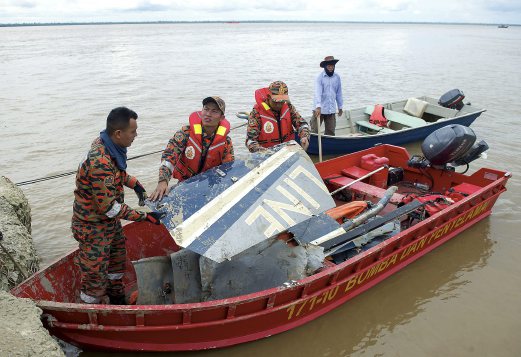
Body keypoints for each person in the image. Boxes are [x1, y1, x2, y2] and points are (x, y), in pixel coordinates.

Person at [72, 107, 164, 305]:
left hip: (109, 225)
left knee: (117, 266)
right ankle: (91, 313)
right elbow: (110, 208)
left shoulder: (109, 146)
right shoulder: (99, 161)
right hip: (93, 227)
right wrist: (145, 216)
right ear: (118, 134)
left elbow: (117, 174)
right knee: (95, 278)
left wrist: (135, 185)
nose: (136, 136)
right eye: (133, 132)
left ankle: (117, 301)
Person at [149, 96, 234, 201]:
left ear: (221, 117)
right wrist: (163, 181)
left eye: (214, 111)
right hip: (186, 185)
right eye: (206, 109)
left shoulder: (226, 141)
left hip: (211, 187)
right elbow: (169, 156)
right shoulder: (186, 133)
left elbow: (229, 168)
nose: (208, 114)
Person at [245, 81, 310, 152]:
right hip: (266, 156)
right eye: (276, 102)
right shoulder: (257, 113)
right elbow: (250, 140)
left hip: (288, 152)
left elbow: (302, 124)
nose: (279, 105)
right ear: (269, 97)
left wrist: (304, 136)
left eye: (282, 102)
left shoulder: (288, 107)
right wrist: (261, 150)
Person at [312, 55, 343, 136]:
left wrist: (340, 107)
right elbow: (317, 92)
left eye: (332, 65)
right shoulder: (319, 77)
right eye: (329, 65)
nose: (330, 67)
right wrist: (318, 106)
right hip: (319, 109)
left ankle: (329, 147)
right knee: (314, 131)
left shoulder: (337, 77)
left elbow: (339, 93)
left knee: (330, 132)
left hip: (331, 109)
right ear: (325, 66)